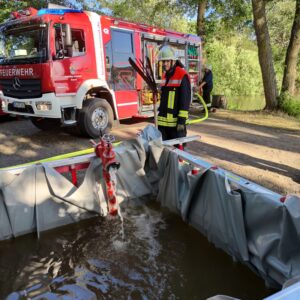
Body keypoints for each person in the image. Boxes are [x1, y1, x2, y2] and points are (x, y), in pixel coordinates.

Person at [157, 45, 191, 141]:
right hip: (163, 124)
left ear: (174, 61)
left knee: (176, 153)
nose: (165, 64)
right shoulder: (165, 75)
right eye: (163, 61)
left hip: (176, 126)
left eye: (167, 61)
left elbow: (185, 100)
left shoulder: (182, 75)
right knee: (164, 152)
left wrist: (181, 121)